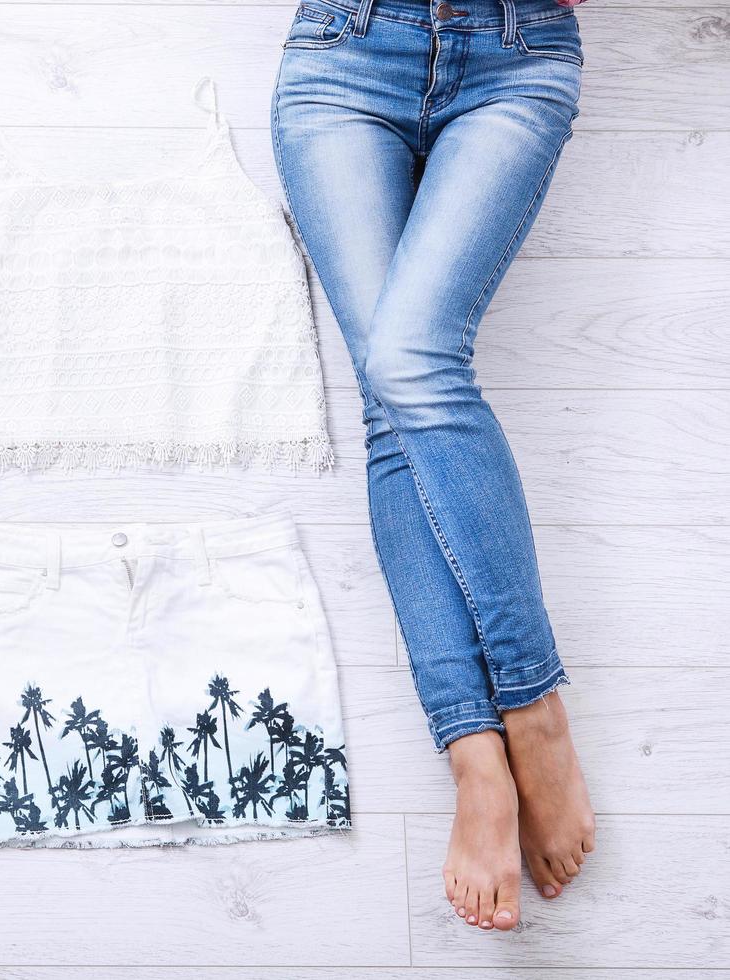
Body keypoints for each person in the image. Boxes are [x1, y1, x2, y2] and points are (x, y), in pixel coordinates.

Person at [271, 0, 596, 931]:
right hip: (345, 49)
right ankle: (478, 753)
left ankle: (530, 711)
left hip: (516, 50)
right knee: (394, 400)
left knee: (411, 361)